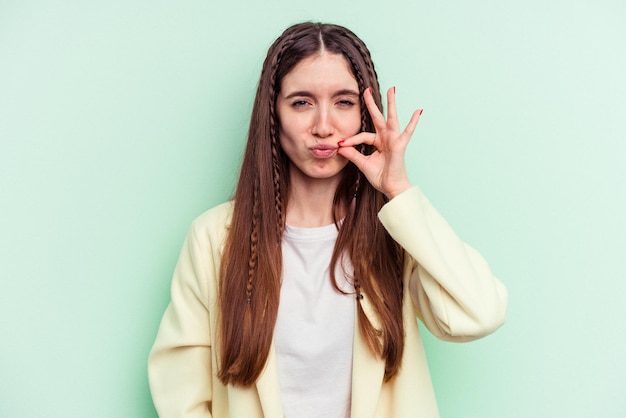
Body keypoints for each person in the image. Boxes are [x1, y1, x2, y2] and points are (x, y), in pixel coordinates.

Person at [148, 22, 508, 418]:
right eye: (301, 102)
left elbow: (480, 312)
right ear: (274, 115)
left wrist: (399, 191)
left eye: (344, 102)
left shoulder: (395, 233)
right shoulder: (214, 238)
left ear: (364, 117)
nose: (323, 126)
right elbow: (179, 394)